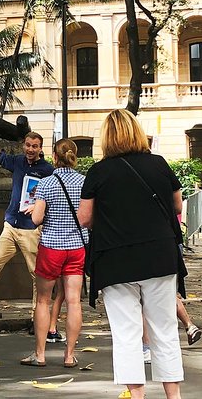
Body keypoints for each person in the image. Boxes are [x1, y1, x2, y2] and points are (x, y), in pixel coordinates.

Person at [78, 109, 184, 399]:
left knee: (126, 332)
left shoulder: (98, 172)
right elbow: (177, 206)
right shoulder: (158, 164)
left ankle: (136, 395)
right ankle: (173, 396)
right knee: (164, 328)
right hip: (158, 255)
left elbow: (85, 218)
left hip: (116, 259)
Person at [0, 126, 54, 321]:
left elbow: (53, 197)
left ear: (41, 148)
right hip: (10, 226)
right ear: (24, 146)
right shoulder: (17, 162)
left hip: (30, 230)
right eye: (28, 145)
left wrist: (40, 208)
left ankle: (37, 316)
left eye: (35, 146)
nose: (31, 149)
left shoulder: (48, 171)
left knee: (36, 275)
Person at [20, 139, 87, 368]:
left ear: (54, 157)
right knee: (74, 301)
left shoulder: (47, 183)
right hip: (77, 247)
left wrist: (36, 212)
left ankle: (40, 354)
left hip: (51, 247)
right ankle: (69, 355)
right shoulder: (84, 182)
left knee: (43, 300)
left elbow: (37, 219)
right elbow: (88, 218)